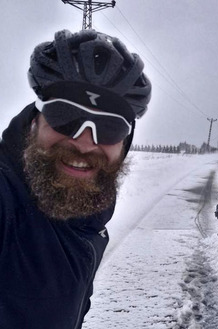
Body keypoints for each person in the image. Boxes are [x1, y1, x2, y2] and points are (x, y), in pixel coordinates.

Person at [0, 29, 151, 328]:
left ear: (125, 144)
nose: (84, 143)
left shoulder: (91, 213)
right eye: (65, 115)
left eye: (108, 128)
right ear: (34, 122)